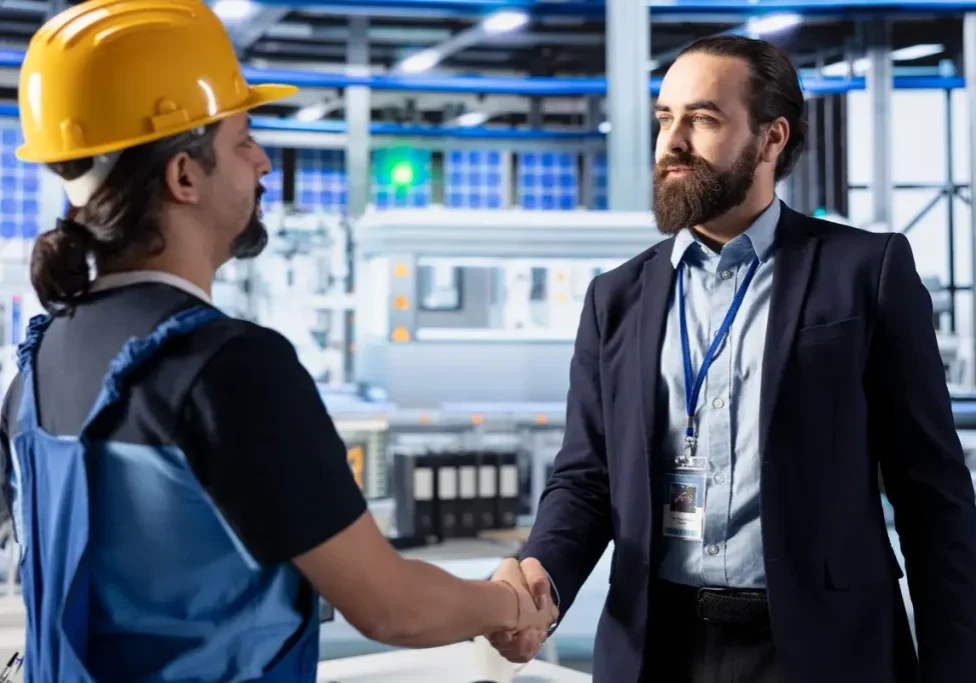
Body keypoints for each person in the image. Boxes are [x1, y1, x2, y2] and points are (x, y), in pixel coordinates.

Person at [0, 1, 555, 681]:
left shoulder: (37, 360)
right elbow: (389, 605)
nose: (263, 162)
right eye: (243, 139)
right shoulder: (229, 367)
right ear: (183, 176)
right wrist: (508, 604)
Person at [488, 35, 976, 682]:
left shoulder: (865, 272)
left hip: (821, 648)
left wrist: (955, 666)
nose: (673, 141)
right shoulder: (617, 298)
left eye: (703, 118)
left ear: (772, 138)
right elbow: (587, 477)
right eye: (666, 118)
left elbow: (932, 495)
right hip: (655, 646)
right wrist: (540, 577)